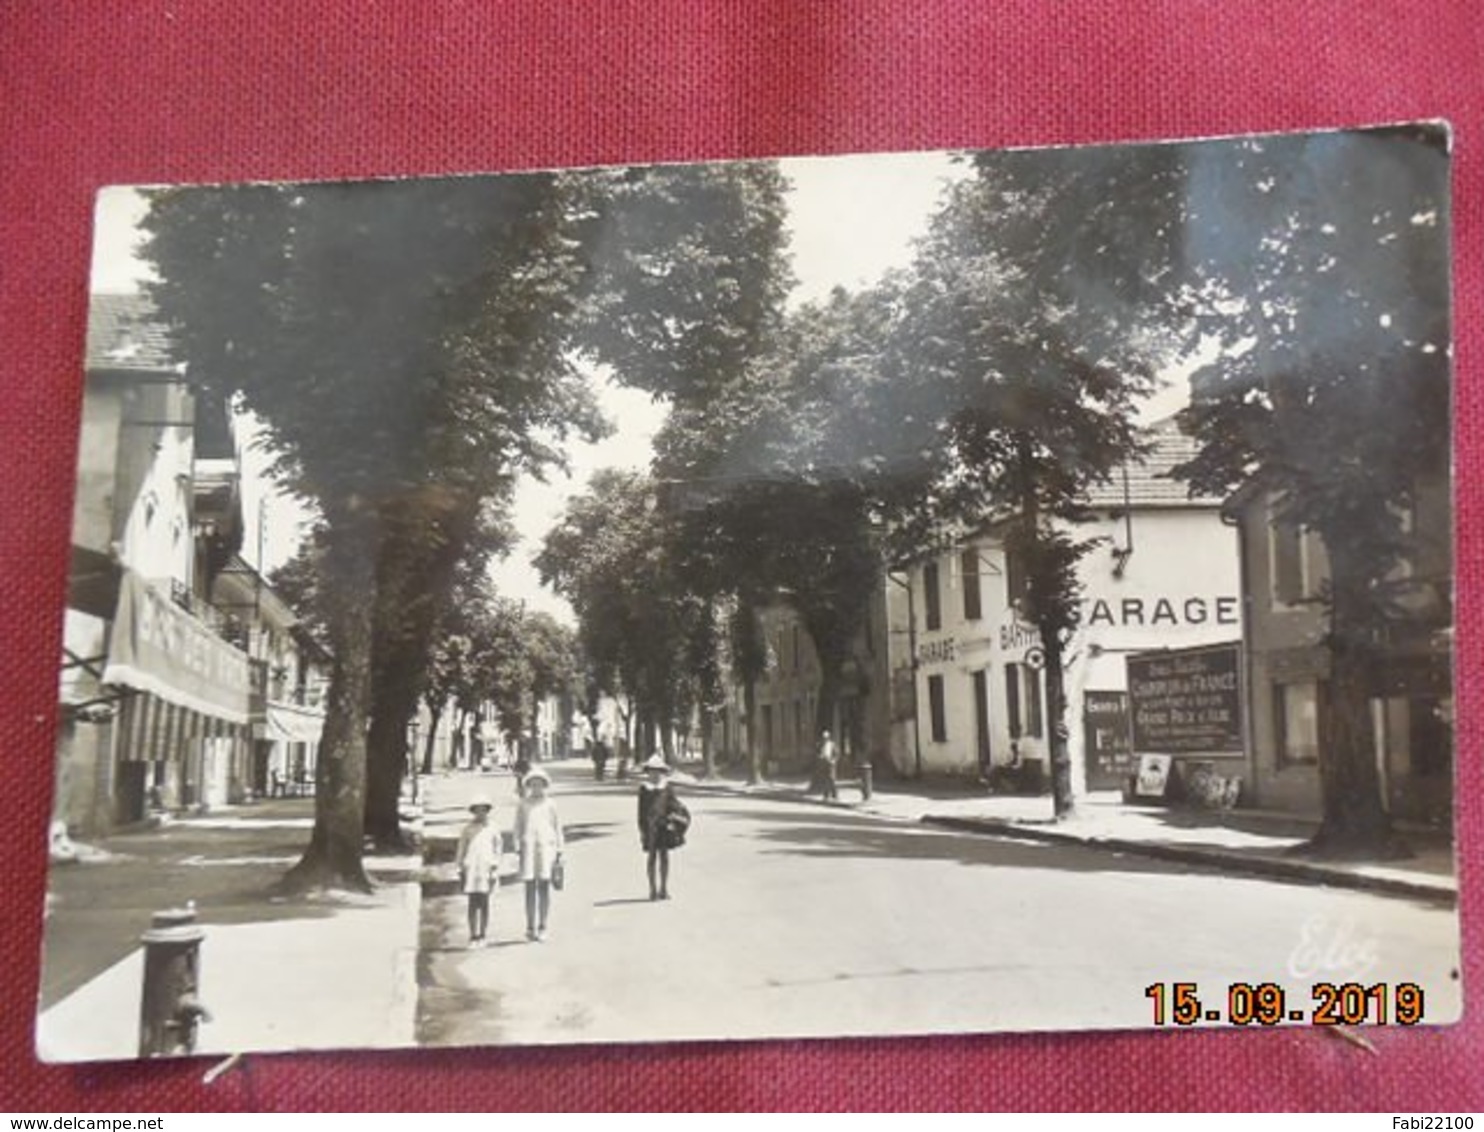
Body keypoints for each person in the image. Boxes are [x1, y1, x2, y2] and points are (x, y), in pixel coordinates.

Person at [513, 767, 564, 941]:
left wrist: (559, 850)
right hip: (528, 849)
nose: (536, 788)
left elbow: (557, 828)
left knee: (543, 887)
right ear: (528, 785)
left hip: (546, 849)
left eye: (539, 784)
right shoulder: (523, 804)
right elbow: (517, 827)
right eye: (533, 784)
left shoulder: (550, 805)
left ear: (544, 785)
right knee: (529, 888)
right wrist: (517, 846)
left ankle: (543, 925)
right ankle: (530, 926)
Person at [637, 754, 688, 900]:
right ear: (648, 771)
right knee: (651, 857)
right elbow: (640, 811)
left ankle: (664, 889)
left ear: (662, 772)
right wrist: (642, 830)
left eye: (658, 770)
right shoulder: (644, 789)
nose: (655, 773)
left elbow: (674, 805)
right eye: (652, 770)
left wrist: (676, 817)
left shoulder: (667, 788)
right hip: (650, 828)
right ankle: (652, 890)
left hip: (664, 827)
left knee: (664, 857)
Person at [455, 793, 501, 949]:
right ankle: (473, 935)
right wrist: (460, 867)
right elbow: (461, 849)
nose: (480, 813)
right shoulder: (467, 829)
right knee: (473, 902)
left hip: (486, 869)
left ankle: (483, 934)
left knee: (484, 902)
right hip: (472, 869)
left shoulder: (493, 828)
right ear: (473, 811)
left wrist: (495, 867)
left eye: (483, 810)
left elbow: (497, 849)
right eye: (477, 810)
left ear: (487, 811)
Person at [817, 729, 839, 801]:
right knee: (824, 779)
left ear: (829, 738)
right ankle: (826, 795)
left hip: (830, 763)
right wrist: (820, 757)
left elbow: (836, 754)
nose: (825, 739)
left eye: (826, 738)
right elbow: (818, 753)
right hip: (823, 763)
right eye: (824, 738)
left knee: (832, 779)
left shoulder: (832, 744)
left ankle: (835, 795)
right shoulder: (820, 745)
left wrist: (833, 761)